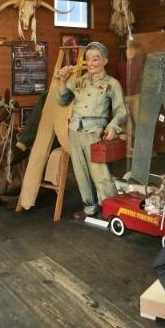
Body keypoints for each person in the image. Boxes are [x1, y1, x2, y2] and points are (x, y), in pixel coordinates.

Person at [58, 42, 127, 219]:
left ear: (105, 60)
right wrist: (63, 81)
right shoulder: (79, 81)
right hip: (75, 131)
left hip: (95, 133)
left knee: (100, 174)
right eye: (87, 59)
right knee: (80, 173)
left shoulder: (112, 84)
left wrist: (113, 126)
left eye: (95, 59)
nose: (91, 63)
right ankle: (90, 208)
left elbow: (121, 111)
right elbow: (63, 100)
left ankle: (113, 210)